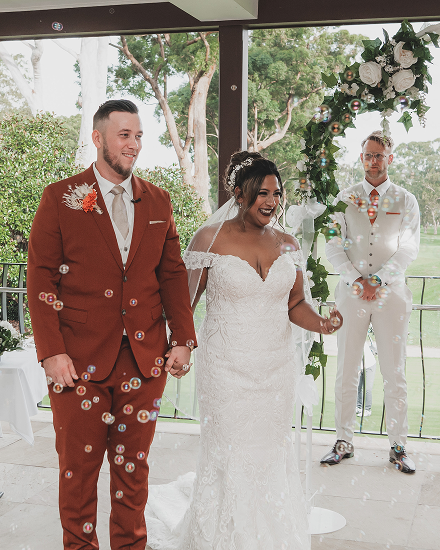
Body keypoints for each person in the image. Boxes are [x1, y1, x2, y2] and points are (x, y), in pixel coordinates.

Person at [144, 151, 343, 550]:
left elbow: (294, 304)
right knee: (231, 450)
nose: (271, 201)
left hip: (275, 370)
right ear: (239, 194)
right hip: (227, 368)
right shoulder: (210, 239)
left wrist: (321, 322)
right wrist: (178, 346)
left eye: (276, 193)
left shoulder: (287, 244)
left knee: (270, 450)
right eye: (262, 193)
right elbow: (185, 302)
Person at [27, 99, 197, 550]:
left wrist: (182, 338)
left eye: (139, 135)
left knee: (133, 472)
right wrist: (52, 351)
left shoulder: (158, 200)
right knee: (78, 474)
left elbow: (172, 274)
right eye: (124, 135)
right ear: (98, 138)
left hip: (144, 362)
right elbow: (41, 277)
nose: (134, 144)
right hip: (77, 361)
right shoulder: (60, 197)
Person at [321, 130, 420, 473]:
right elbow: (333, 244)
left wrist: (379, 279)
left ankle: (397, 446)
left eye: (379, 155)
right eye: (368, 155)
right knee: (347, 367)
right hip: (352, 295)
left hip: (391, 295)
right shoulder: (344, 198)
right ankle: (343, 440)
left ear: (390, 159)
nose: (373, 161)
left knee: (396, 371)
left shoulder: (406, 200)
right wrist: (356, 279)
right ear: (361, 158)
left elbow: (409, 247)